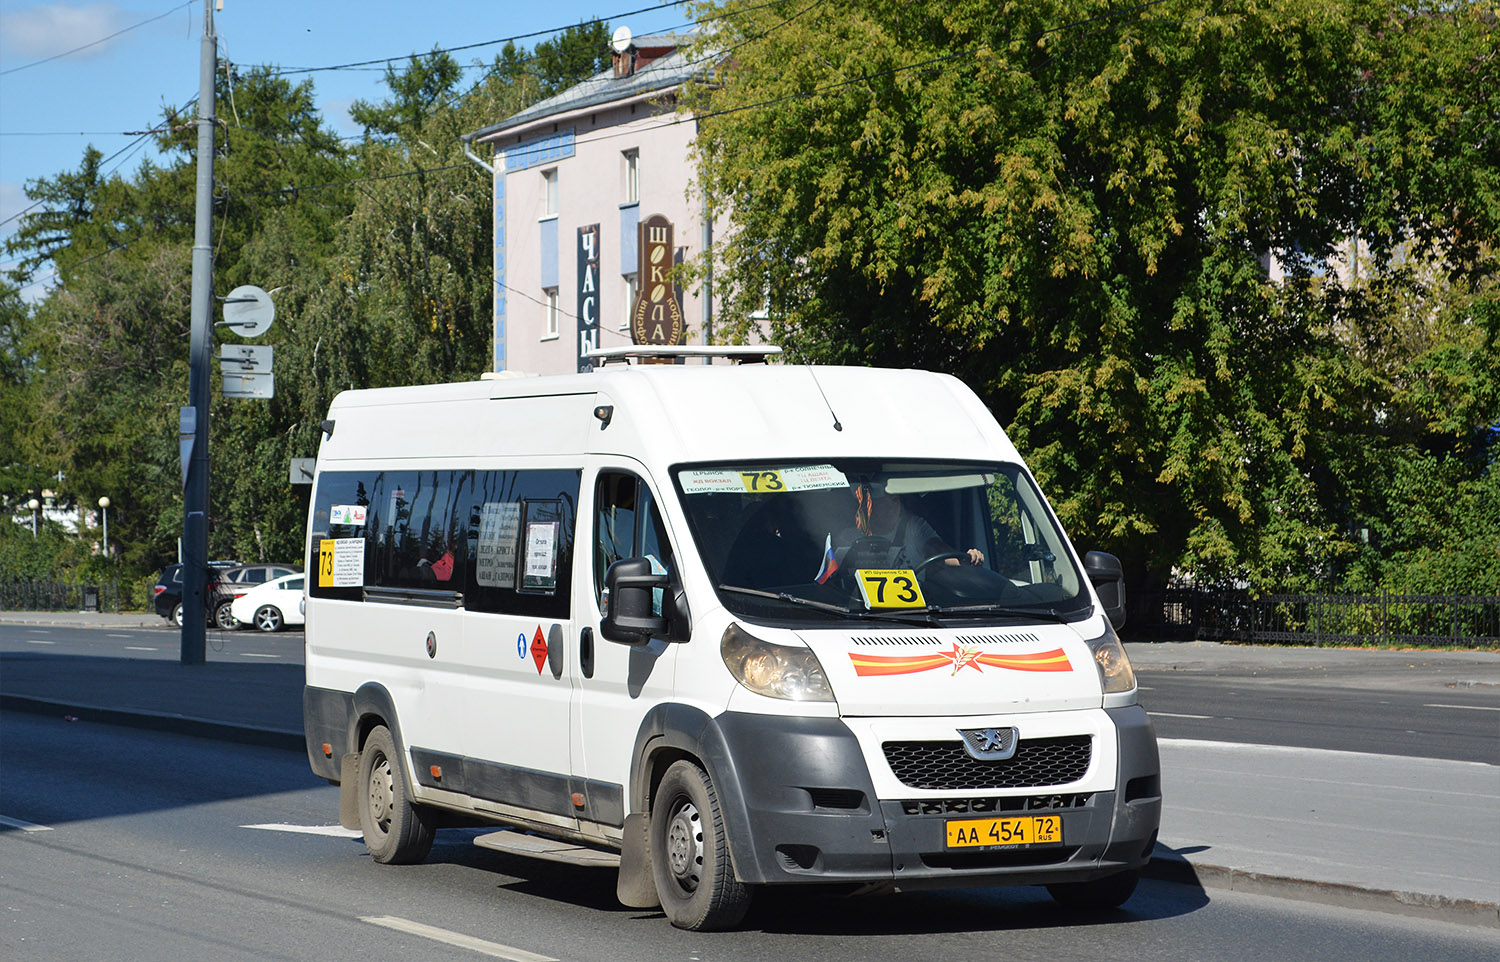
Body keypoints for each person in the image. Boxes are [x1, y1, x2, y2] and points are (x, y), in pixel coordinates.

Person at [843, 482, 984, 569]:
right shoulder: (848, 539)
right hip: (861, 613)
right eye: (884, 503)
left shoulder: (913, 528)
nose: (892, 508)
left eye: (895, 500)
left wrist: (965, 559)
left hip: (913, 612)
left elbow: (937, 550)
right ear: (870, 507)